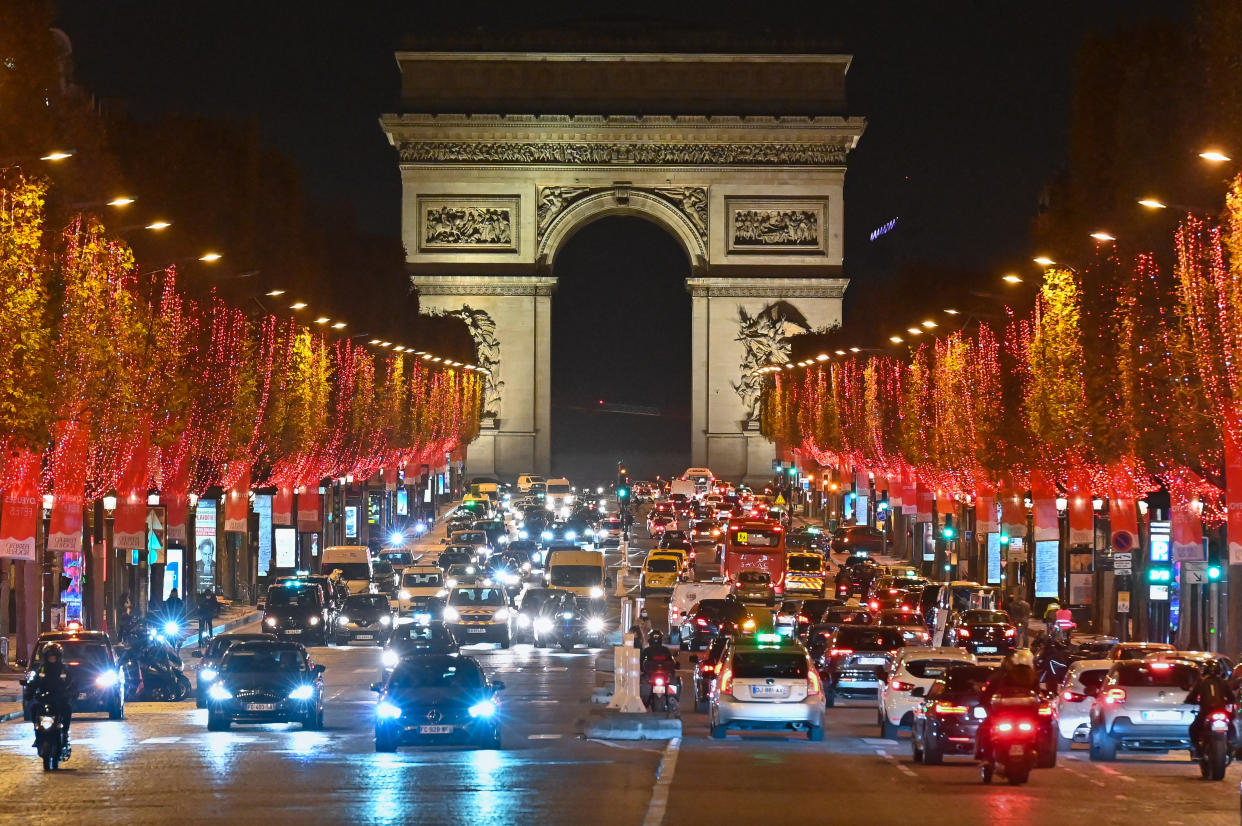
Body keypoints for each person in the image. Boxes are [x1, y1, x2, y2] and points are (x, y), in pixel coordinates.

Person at [976, 650, 1040, 759]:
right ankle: (987, 757)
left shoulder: (1006, 676)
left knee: (986, 729)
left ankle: (986, 757)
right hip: (1010, 714)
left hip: (1013, 714)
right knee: (988, 729)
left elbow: (1037, 696)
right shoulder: (1031, 676)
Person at [24, 643, 75, 750]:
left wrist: (72, 692)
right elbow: (34, 682)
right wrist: (29, 692)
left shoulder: (64, 669)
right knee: (34, 709)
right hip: (44, 698)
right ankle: (38, 734)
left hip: (60, 698)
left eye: (54, 656)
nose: (52, 659)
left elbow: (72, 683)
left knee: (67, 709)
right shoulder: (41, 669)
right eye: (50, 656)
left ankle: (64, 733)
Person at [1187, 660, 1237, 757]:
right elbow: (1231, 698)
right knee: (1231, 725)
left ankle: (1197, 750)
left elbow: (1191, 698)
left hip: (1206, 712)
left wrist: (1190, 701)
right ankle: (1231, 744)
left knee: (1193, 729)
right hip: (1222, 711)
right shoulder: (1223, 683)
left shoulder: (1201, 683)